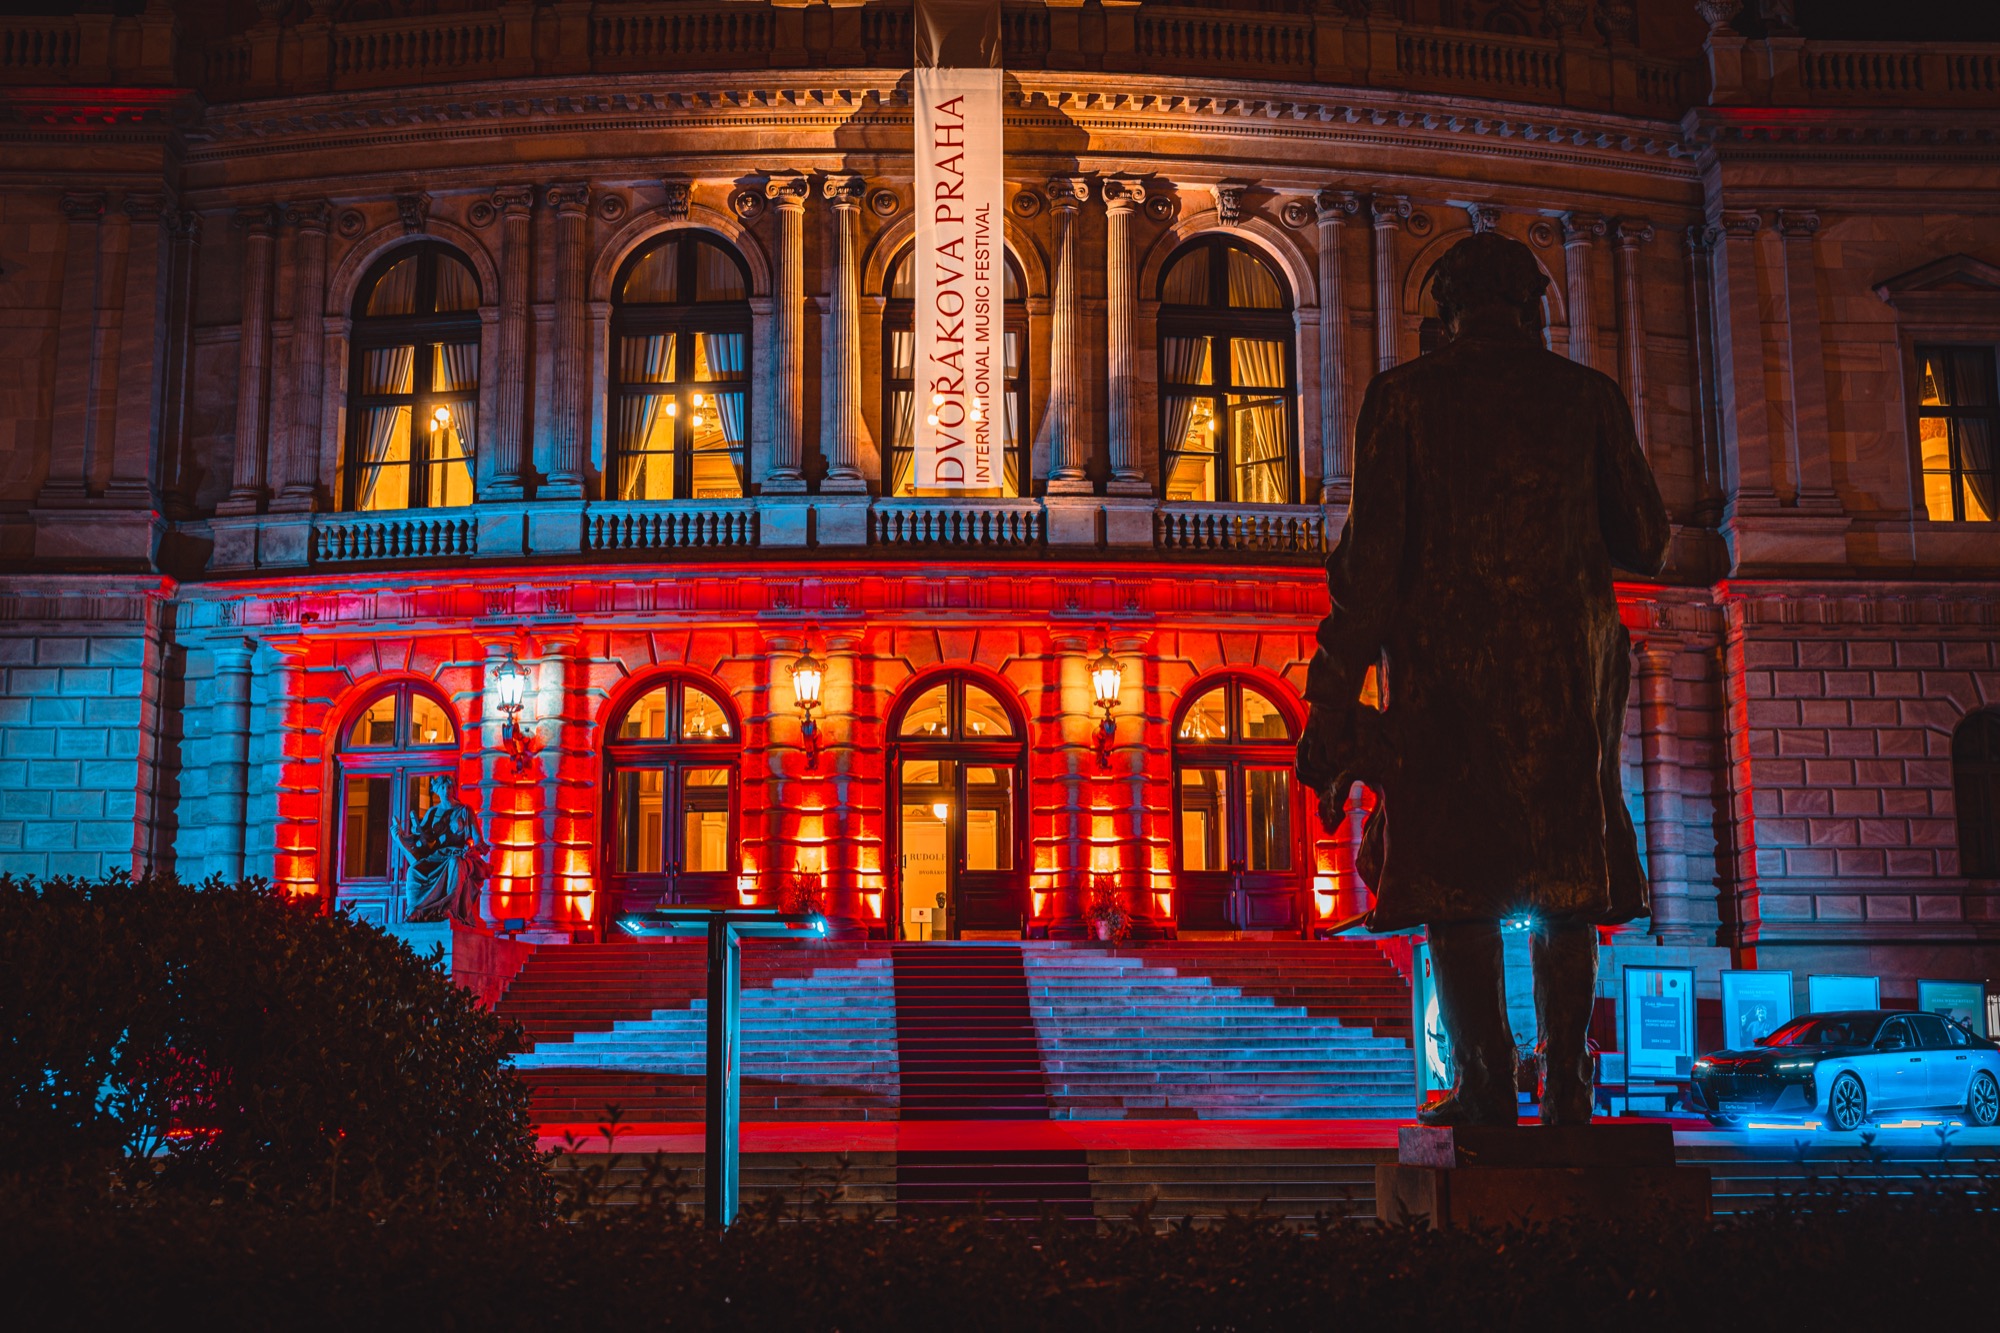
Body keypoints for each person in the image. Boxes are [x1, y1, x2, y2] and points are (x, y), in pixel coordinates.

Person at [1297, 231, 1669, 1127]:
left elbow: (1369, 572)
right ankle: (1571, 1082)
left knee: (1455, 883)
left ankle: (1486, 1080)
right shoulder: (1587, 396)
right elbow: (1647, 539)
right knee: (1564, 882)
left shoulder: (1405, 398)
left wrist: (1330, 701)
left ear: (1445, 309)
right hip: (1564, 676)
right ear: (1534, 303)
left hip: (1446, 679)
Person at [397, 774, 488, 925]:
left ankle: (448, 908)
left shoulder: (465, 811)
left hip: (460, 856)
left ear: (453, 789)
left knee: (454, 864)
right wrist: (405, 835)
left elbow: (479, 841)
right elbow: (421, 840)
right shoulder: (432, 813)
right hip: (438, 857)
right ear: (437, 790)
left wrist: (473, 850)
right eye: (442, 787)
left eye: (449, 787)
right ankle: (415, 909)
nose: (446, 790)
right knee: (414, 871)